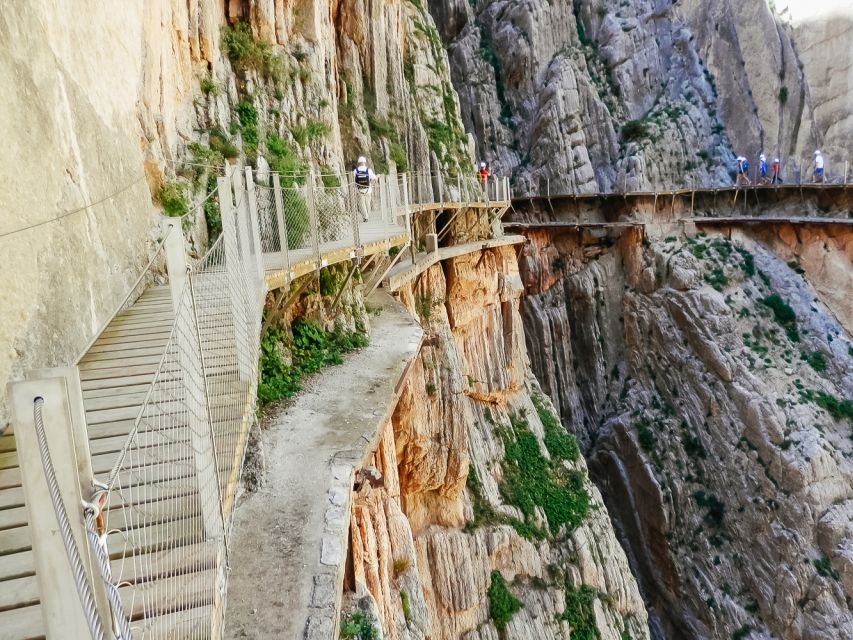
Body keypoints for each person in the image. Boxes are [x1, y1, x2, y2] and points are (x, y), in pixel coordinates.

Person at [352, 156, 376, 222]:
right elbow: (374, 178)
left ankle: (365, 217)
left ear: (358, 163)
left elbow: (353, 180)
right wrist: (371, 183)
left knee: (361, 204)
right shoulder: (368, 170)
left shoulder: (355, 171)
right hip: (368, 189)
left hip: (359, 190)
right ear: (365, 162)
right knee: (368, 203)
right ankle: (367, 215)